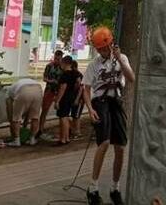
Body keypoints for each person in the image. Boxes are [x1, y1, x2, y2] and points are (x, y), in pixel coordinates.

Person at [83, 27, 135, 205]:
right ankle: (93, 187)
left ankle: (115, 187)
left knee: (120, 146)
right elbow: (86, 89)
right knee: (104, 143)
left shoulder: (122, 58)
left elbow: (131, 78)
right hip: (100, 102)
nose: (103, 51)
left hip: (116, 102)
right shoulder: (94, 64)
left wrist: (119, 58)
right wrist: (90, 109)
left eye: (105, 48)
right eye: (100, 49)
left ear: (111, 44)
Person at [5, 77, 43, 147]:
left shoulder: (8, 94)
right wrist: (24, 124)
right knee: (35, 117)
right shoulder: (19, 84)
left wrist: (12, 123)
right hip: (38, 90)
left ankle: (16, 140)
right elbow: (28, 112)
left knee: (16, 117)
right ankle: (32, 139)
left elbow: (11, 115)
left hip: (23, 90)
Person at [53, 55, 82, 146]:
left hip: (64, 98)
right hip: (71, 97)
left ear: (64, 63)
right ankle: (67, 138)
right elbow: (79, 82)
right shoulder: (75, 73)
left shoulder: (65, 74)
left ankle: (63, 139)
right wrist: (74, 90)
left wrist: (57, 100)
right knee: (66, 116)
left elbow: (63, 88)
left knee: (63, 118)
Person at [38, 49, 64, 139]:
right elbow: (44, 78)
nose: (57, 60)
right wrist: (51, 81)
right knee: (44, 110)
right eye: (56, 58)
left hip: (59, 91)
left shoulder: (63, 68)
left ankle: (63, 131)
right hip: (49, 90)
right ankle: (40, 129)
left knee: (62, 111)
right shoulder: (49, 66)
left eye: (59, 59)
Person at [69, 59, 84, 139]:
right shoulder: (73, 74)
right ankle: (73, 130)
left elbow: (81, 88)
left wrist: (77, 99)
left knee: (76, 116)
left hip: (79, 99)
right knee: (74, 115)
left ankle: (77, 132)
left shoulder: (78, 75)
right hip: (74, 98)